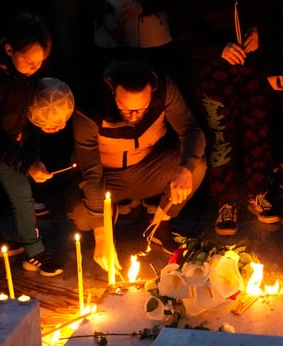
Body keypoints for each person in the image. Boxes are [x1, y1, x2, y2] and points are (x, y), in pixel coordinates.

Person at [171, 0, 276, 236]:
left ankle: (259, 191)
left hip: (252, 63)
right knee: (220, 135)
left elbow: (276, 11)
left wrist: (262, 32)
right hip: (212, 68)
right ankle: (225, 200)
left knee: (258, 127)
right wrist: (218, 48)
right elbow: (183, 27)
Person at [69, 58, 206, 268]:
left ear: (152, 89)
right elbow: (92, 175)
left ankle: (160, 225)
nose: (134, 117)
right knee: (82, 216)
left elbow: (191, 130)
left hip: (148, 169)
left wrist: (185, 169)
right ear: (111, 89)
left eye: (141, 109)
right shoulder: (90, 105)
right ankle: (109, 217)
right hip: (108, 178)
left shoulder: (164, 89)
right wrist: (102, 236)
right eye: (126, 109)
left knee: (196, 166)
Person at [0, 14, 63, 276]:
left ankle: (35, 251)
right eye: (30, 62)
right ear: (9, 49)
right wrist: (26, 161)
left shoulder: (22, 74)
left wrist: (40, 124)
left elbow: (18, 111)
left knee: (22, 195)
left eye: (40, 62)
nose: (35, 68)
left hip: (6, 149)